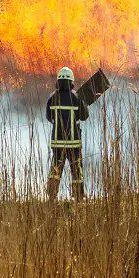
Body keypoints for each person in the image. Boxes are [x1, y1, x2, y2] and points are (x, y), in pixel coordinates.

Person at [46, 66, 89, 202]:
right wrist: (84, 104)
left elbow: (49, 117)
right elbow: (84, 117)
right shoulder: (77, 98)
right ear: (72, 82)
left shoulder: (52, 98)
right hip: (74, 143)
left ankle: (52, 196)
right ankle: (78, 197)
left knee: (55, 169)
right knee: (76, 169)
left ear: (58, 82)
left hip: (57, 143)